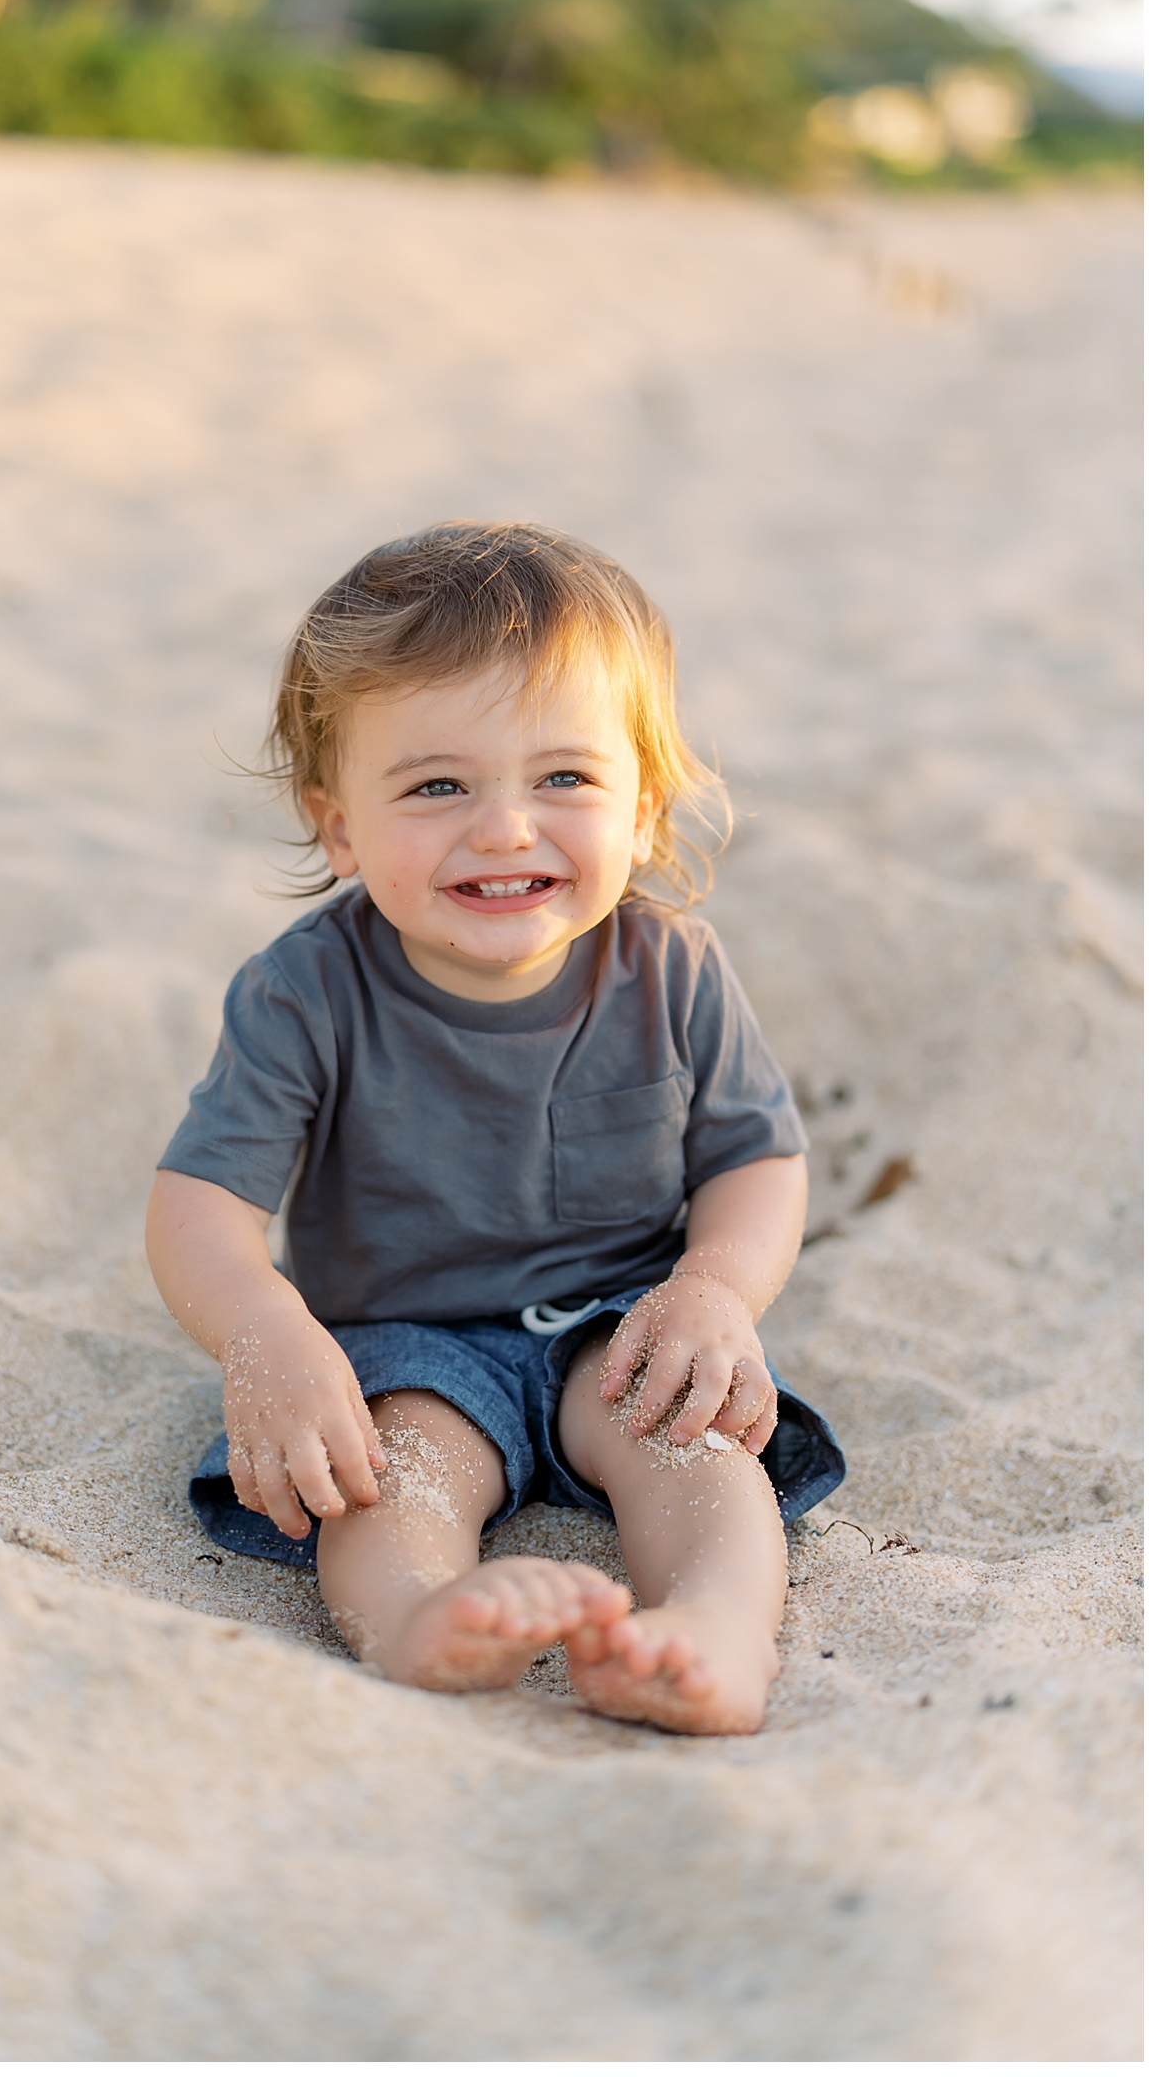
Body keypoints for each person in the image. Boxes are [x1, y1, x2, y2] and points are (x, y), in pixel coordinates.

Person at [146, 521, 843, 1734]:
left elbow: (754, 1160)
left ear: (643, 805)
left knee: (699, 1457)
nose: (507, 827)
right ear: (340, 826)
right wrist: (266, 1330)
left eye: (564, 777)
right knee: (387, 1480)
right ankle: (423, 1616)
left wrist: (716, 1288)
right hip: (409, 1341)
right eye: (436, 786)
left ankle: (714, 1633)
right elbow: (197, 1205)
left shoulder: (671, 968)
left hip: (621, 1327)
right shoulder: (306, 990)